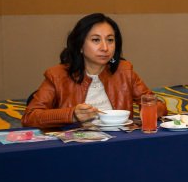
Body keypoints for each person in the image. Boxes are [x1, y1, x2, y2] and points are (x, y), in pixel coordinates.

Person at [22, 13, 167, 128]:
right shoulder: (57, 75)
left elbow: (158, 105)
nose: (105, 47)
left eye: (110, 40)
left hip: (120, 142)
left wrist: (150, 110)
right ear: (80, 45)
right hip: (76, 146)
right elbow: (30, 117)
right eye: (96, 40)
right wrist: (72, 114)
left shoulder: (124, 71)